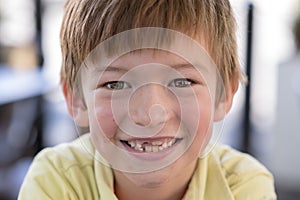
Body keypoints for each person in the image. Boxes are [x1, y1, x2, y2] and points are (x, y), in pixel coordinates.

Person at [18, 0, 276, 199]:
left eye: (182, 82)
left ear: (224, 95)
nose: (149, 114)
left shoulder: (244, 187)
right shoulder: (56, 181)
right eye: (116, 84)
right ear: (76, 100)